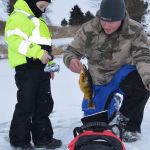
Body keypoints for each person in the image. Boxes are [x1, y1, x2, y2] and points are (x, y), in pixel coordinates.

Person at [63, 0, 150, 143]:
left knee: (140, 84)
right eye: (103, 20)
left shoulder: (136, 30)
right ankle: (110, 103)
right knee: (96, 124)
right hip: (99, 81)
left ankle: (128, 124)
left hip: (123, 75)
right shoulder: (88, 28)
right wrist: (71, 60)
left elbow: (143, 56)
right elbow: (71, 51)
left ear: (121, 18)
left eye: (112, 22)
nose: (106, 25)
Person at [4, 0, 62, 149]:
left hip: (41, 69)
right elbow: (14, 40)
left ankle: (42, 138)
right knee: (27, 104)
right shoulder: (18, 16)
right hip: (26, 68)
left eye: (45, 8)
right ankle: (19, 141)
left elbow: (45, 48)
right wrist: (36, 52)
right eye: (41, 6)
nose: (43, 11)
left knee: (44, 103)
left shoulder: (39, 20)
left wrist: (49, 65)